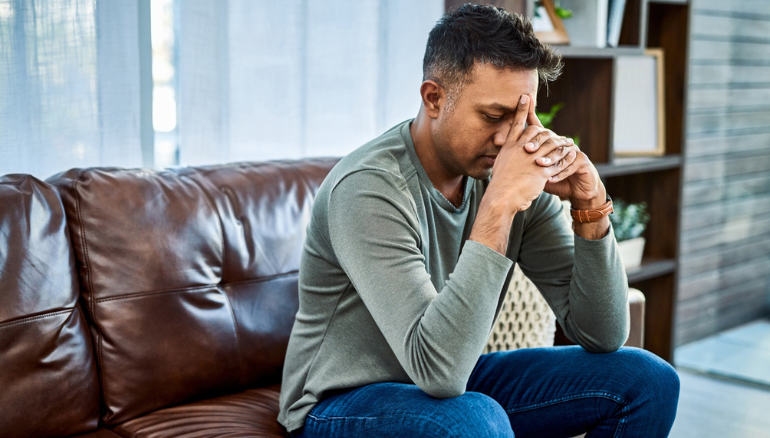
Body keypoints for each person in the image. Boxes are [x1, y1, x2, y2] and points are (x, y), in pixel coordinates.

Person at [278, 4, 679, 437]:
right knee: (473, 422)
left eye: (522, 117)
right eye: (492, 116)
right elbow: (440, 371)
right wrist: (499, 207)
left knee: (648, 381)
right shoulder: (368, 188)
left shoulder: (506, 175)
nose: (510, 138)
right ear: (434, 98)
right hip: (339, 403)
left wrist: (591, 208)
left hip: (446, 381)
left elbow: (604, 335)